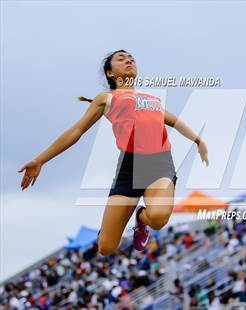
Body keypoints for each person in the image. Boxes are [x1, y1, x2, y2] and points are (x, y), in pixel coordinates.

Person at [18, 50, 209, 255]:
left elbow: (175, 122)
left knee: (158, 219)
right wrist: (40, 160)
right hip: (129, 168)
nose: (129, 60)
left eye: (131, 58)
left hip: (160, 165)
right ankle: (108, 230)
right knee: (106, 248)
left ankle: (141, 217)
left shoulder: (152, 100)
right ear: (110, 73)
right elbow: (76, 131)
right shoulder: (107, 98)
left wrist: (198, 140)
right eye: (121, 58)